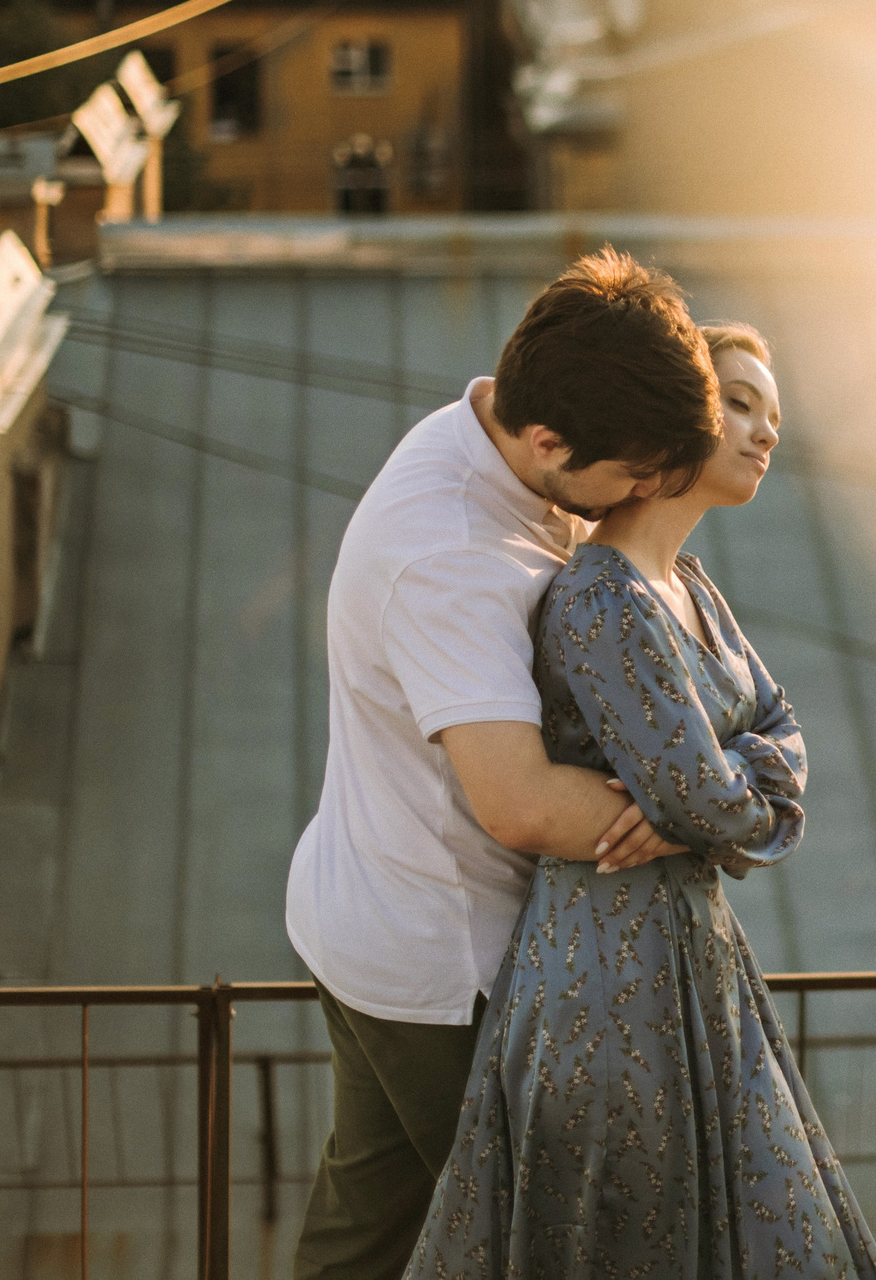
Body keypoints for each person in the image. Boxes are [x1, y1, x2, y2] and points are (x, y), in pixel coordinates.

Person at [410, 325, 876, 1280]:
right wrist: (729, 804)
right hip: (604, 975)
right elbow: (702, 795)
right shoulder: (600, 594)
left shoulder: (692, 588)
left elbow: (779, 736)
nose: (765, 432)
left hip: (695, 958)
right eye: (740, 404)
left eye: (774, 414)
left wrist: (727, 792)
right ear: (679, 421)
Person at [286, 249, 724, 1280]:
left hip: (368, 913)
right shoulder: (448, 553)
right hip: (441, 960)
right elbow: (521, 803)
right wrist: (696, 809)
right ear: (545, 439)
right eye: (632, 476)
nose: (644, 497)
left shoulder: (489, 436)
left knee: (370, 1231)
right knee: (549, 1244)